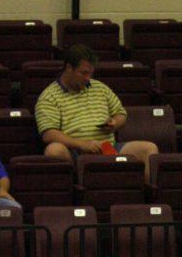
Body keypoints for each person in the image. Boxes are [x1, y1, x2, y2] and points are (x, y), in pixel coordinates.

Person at [35, 45, 159, 181]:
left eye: (90, 73)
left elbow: (120, 113)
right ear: (69, 68)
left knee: (149, 148)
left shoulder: (99, 87)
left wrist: (115, 123)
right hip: (75, 152)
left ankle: (147, 195)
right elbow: (49, 134)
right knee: (54, 150)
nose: (88, 78)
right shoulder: (49, 96)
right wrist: (83, 144)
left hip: (108, 147)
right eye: (83, 73)